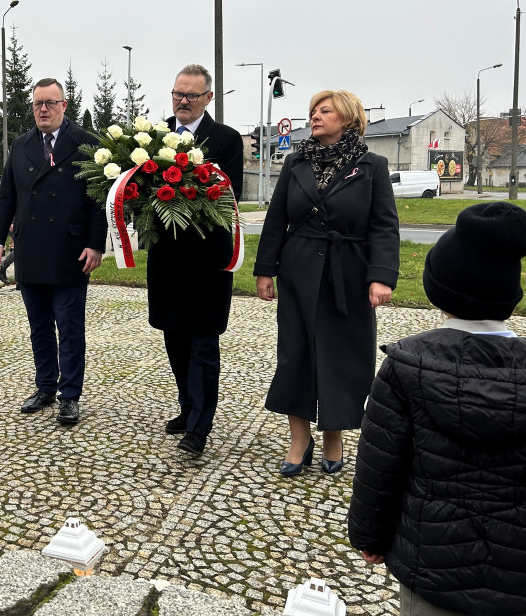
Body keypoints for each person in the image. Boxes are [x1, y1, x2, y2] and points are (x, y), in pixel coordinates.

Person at [348, 202, 526, 616]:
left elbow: (381, 466)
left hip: (431, 565)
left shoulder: (406, 364)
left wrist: (369, 537)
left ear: (438, 287)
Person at [254, 90, 399, 476]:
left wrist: (381, 277)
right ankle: (298, 438)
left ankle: (334, 434)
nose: (315, 116)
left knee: (343, 356)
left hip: (348, 273)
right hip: (299, 269)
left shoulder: (373, 166)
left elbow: (384, 227)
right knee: (296, 353)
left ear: (349, 119)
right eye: (313, 111)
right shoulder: (295, 162)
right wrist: (265, 269)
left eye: (325, 111)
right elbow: (276, 220)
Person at [0, 78, 107, 426]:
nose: (43, 109)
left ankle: (70, 396)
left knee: (69, 328)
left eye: (50, 103)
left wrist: (96, 244)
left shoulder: (86, 144)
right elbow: (7, 196)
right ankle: (45, 387)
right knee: (39, 326)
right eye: (38, 103)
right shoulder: (22, 144)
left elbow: (99, 199)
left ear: (64, 105)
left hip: (71, 252)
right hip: (29, 250)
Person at [146, 64, 243, 456]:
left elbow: (226, 196)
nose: (182, 102)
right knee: (175, 339)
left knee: (203, 343)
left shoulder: (226, 139)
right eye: (177, 94)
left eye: (191, 95)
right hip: (167, 258)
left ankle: (201, 426)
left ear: (208, 98)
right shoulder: (154, 137)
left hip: (206, 260)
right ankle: (188, 408)